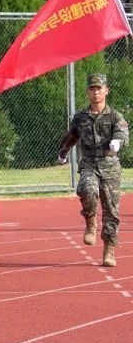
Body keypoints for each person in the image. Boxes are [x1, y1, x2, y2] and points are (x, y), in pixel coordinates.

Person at [58, 73, 128, 267]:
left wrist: (118, 141)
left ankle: (109, 250)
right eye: (92, 88)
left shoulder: (115, 116)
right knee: (86, 190)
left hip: (110, 167)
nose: (96, 92)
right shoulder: (80, 118)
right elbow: (71, 136)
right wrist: (63, 152)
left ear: (106, 91)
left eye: (99, 88)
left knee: (111, 211)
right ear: (88, 92)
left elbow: (123, 132)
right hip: (89, 163)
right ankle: (90, 220)